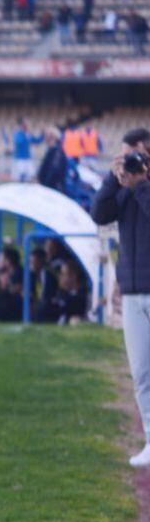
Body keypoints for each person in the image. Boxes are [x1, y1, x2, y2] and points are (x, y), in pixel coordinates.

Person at [91, 128, 150, 467]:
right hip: (131, 291)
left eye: (137, 154)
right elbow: (99, 214)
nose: (131, 160)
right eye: (126, 154)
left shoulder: (140, 186)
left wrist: (140, 182)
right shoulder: (125, 185)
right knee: (141, 373)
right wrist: (113, 180)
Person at [6, 118, 41, 182]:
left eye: (27, 125)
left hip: (27, 158)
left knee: (31, 175)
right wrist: (26, 138)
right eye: (25, 125)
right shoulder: (18, 134)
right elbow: (18, 143)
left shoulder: (28, 134)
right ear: (22, 126)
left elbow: (36, 141)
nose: (27, 127)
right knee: (20, 176)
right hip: (20, 158)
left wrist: (42, 136)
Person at [37, 127, 67, 192]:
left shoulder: (57, 152)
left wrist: (43, 185)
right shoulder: (51, 150)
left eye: (45, 135)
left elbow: (52, 173)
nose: (44, 137)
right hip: (47, 187)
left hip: (51, 189)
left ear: (51, 137)